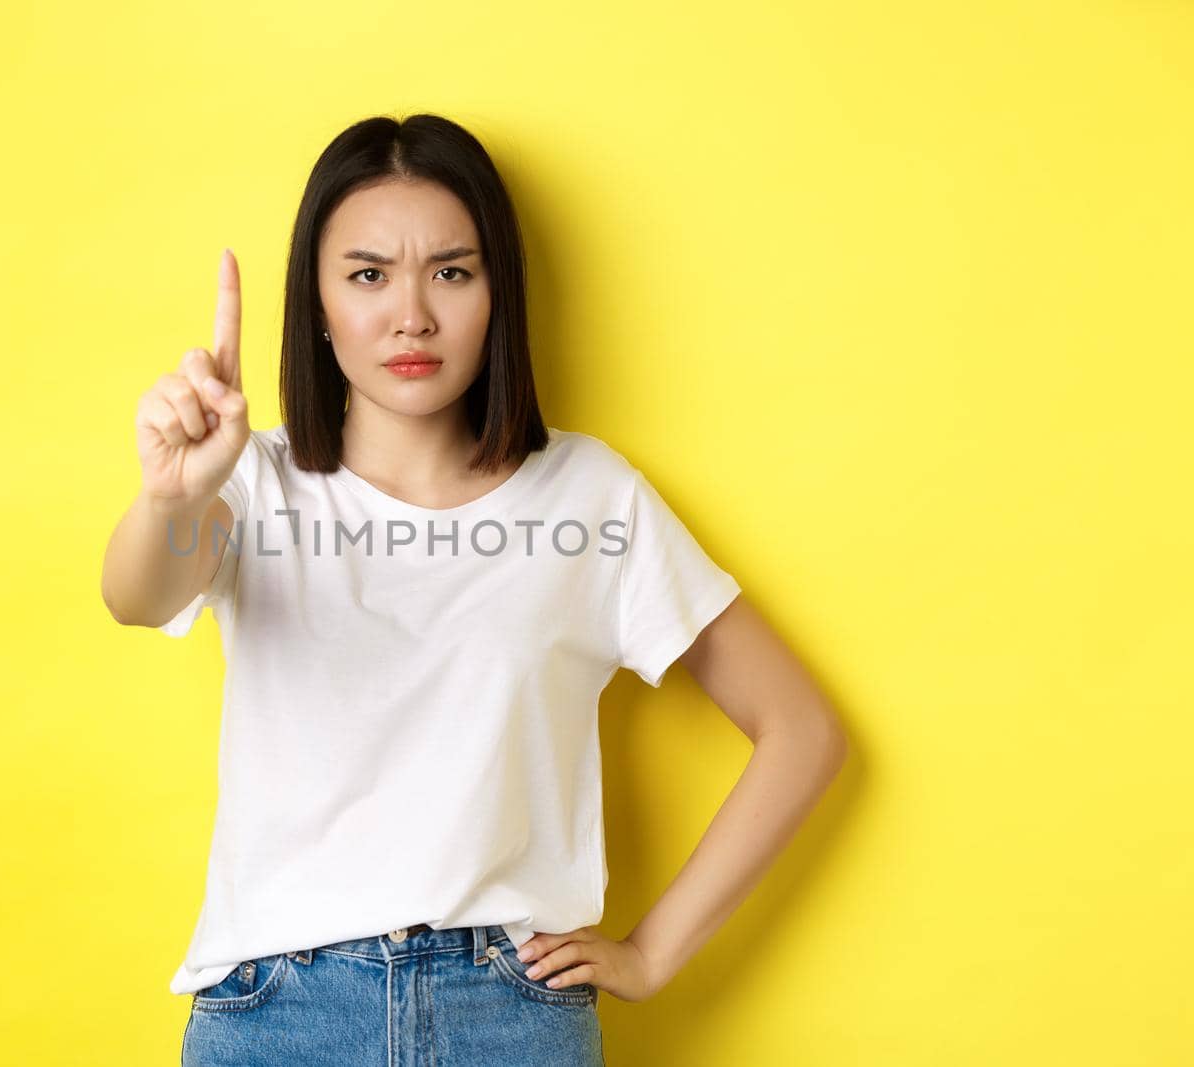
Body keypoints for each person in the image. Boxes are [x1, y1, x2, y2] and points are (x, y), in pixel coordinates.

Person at [101, 113, 847, 1066]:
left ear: (499, 292)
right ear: (318, 301)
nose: (411, 314)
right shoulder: (250, 478)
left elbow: (802, 730)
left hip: (509, 1014)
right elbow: (137, 596)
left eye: (452, 271)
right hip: (277, 1013)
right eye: (368, 274)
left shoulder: (591, 493)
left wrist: (653, 955)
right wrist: (176, 489)